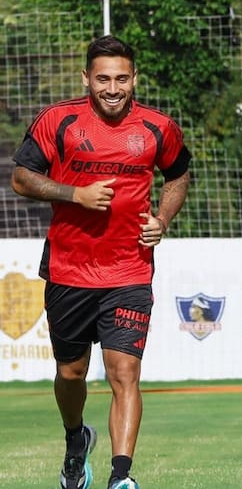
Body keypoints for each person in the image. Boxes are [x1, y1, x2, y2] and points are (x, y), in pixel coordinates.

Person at [11, 35, 191, 489]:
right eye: (104, 79)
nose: (113, 88)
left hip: (129, 270)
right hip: (69, 270)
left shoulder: (158, 128)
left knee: (124, 372)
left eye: (122, 78)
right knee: (71, 373)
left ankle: (121, 476)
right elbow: (21, 177)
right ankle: (76, 440)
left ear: (135, 79)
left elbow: (179, 174)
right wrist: (75, 194)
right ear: (87, 79)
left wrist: (163, 218)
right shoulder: (59, 120)